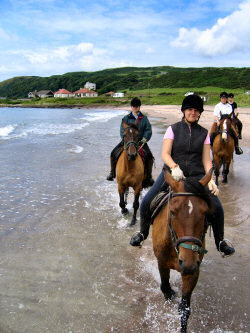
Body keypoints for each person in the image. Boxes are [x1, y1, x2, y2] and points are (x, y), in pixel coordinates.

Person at [130, 94, 235, 257]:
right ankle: (143, 233)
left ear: (199, 113)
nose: (193, 113)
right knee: (146, 201)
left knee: (218, 207)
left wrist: (211, 178)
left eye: (196, 110)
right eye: (190, 110)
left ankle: (220, 242)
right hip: (173, 174)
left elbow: (207, 160)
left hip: (197, 176)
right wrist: (174, 167)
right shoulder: (172, 129)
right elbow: (165, 154)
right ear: (184, 111)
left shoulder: (204, 133)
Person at [106, 97, 154, 187]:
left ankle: (149, 176)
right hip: (127, 141)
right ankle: (112, 173)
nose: (135, 108)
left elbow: (148, 130)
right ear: (131, 107)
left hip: (140, 141)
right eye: (133, 106)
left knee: (150, 156)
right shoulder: (126, 118)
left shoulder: (144, 119)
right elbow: (122, 131)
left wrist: (145, 138)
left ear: (139, 107)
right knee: (113, 153)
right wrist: (126, 140)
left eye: (136, 106)